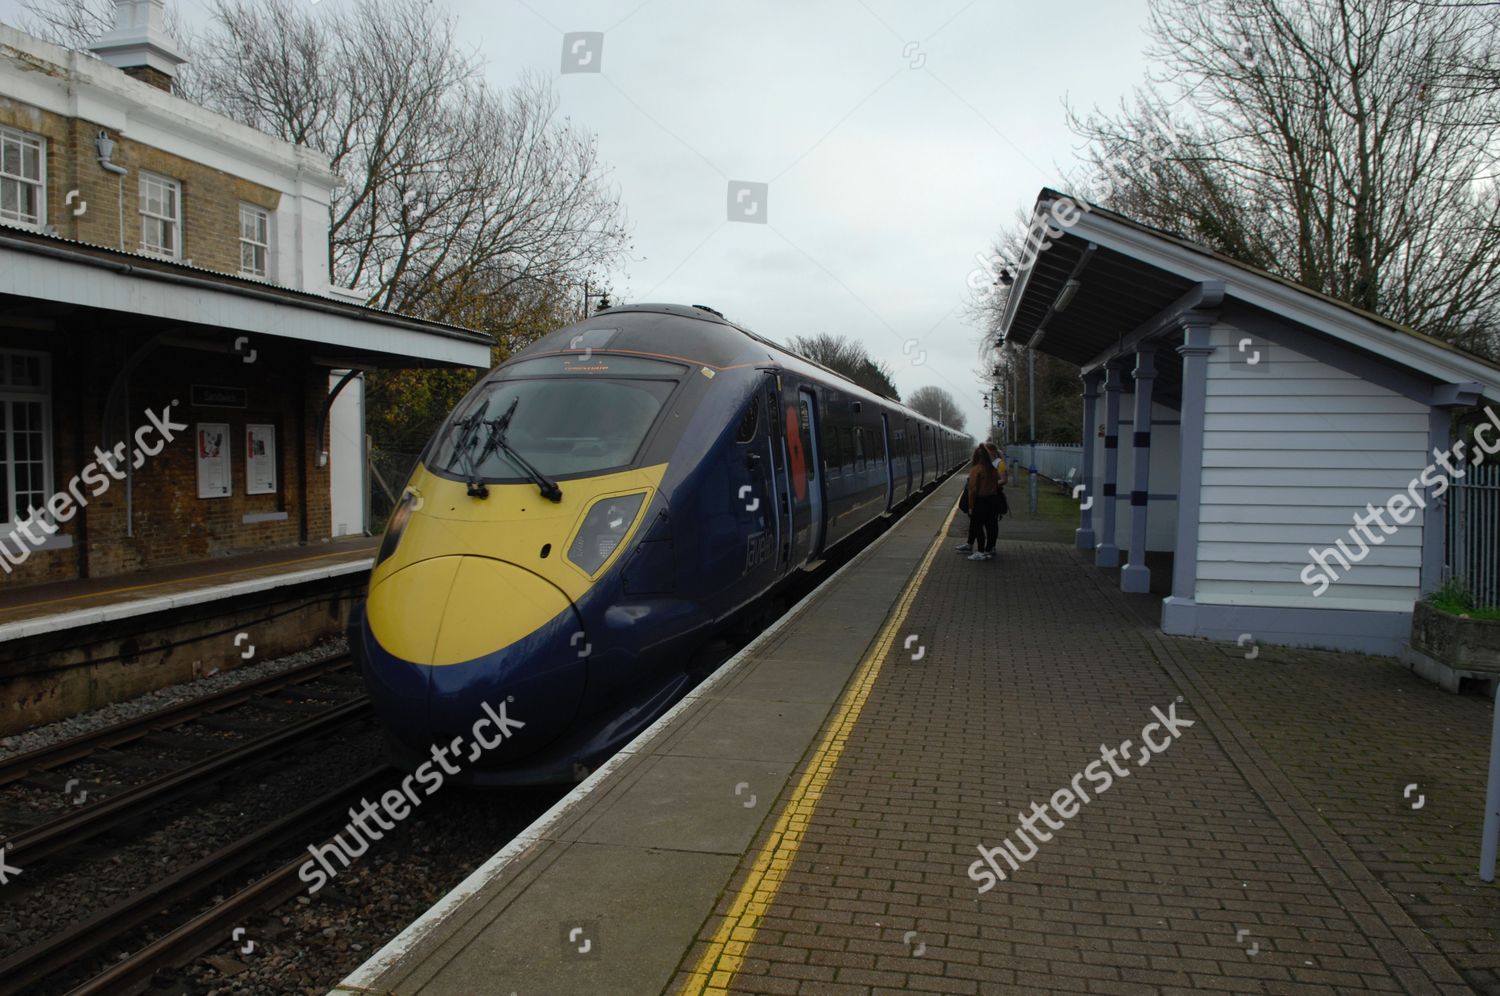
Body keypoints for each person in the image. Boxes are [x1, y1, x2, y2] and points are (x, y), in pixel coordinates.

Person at [964, 445, 1000, 561]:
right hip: (993, 500)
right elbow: (996, 484)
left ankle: (980, 551)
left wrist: (970, 506)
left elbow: (973, 489)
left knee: (978, 526)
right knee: (991, 526)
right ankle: (989, 550)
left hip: (980, 501)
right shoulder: (993, 469)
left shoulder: (976, 469)